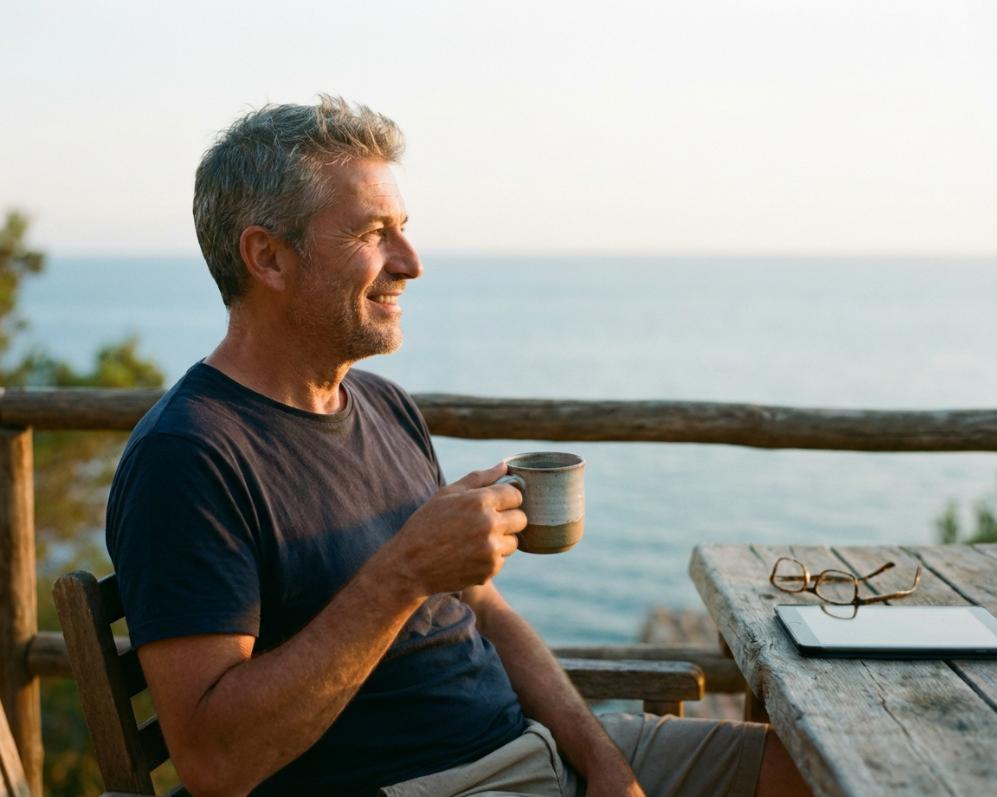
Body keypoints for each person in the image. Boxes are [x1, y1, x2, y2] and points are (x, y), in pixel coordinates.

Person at [106, 95, 810, 797]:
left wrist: (600, 759)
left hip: (534, 752)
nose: (409, 262)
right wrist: (405, 570)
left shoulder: (384, 406)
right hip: (422, 783)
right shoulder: (189, 457)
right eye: (372, 233)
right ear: (267, 256)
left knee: (818, 772)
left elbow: (487, 610)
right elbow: (214, 762)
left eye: (402, 230)